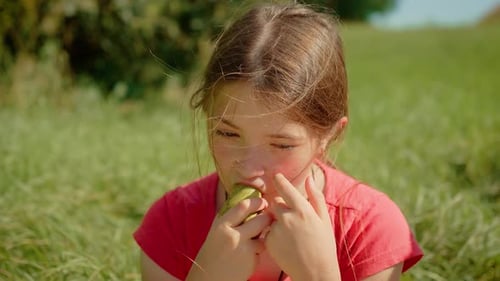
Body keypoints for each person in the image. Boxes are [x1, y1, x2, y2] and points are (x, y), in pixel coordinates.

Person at [134, 3, 423, 281]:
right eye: (228, 133)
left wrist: (318, 275)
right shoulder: (171, 223)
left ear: (329, 135)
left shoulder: (370, 228)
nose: (250, 169)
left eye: (281, 144)